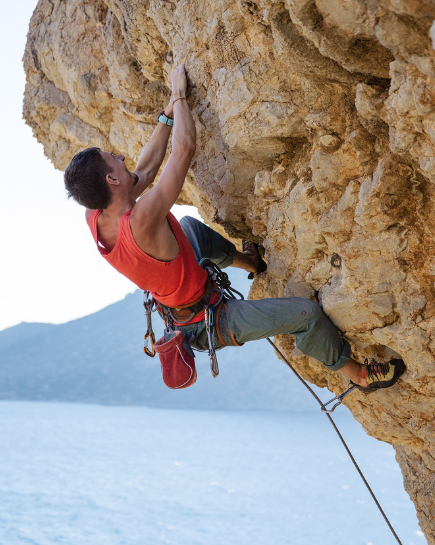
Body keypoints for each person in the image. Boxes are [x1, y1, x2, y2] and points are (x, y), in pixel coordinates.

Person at [62, 62, 404, 393]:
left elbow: (146, 172)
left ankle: (251, 263)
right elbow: (185, 149)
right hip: (209, 318)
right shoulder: (141, 220)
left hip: (176, 302)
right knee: (308, 314)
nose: (122, 159)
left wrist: (168, 111)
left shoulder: (96, 214)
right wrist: (180, 97)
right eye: (114, 159)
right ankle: (357, 374)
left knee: (188, 227)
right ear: (111, 178)